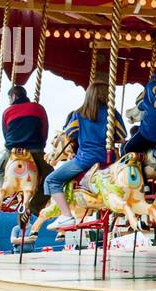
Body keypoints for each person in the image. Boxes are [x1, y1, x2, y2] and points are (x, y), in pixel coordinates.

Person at [43, 81, 126, 230]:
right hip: (109, 159)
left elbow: (69, 134)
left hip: (85, 160)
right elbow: (122, 135)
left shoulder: (79, 114)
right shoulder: (113, 113)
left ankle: (66, 216)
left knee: (51, 180)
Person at [0, 83, 50, 209]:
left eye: (9, 98)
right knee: (49, 175)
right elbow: (44, 130)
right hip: (35, 149)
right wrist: (41, 146)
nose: (9, 101)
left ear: (13, 96)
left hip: (13, 150)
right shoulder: (38, 108)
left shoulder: (7, 111)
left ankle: (8, 196)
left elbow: (5, 133)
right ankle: (36, 205)